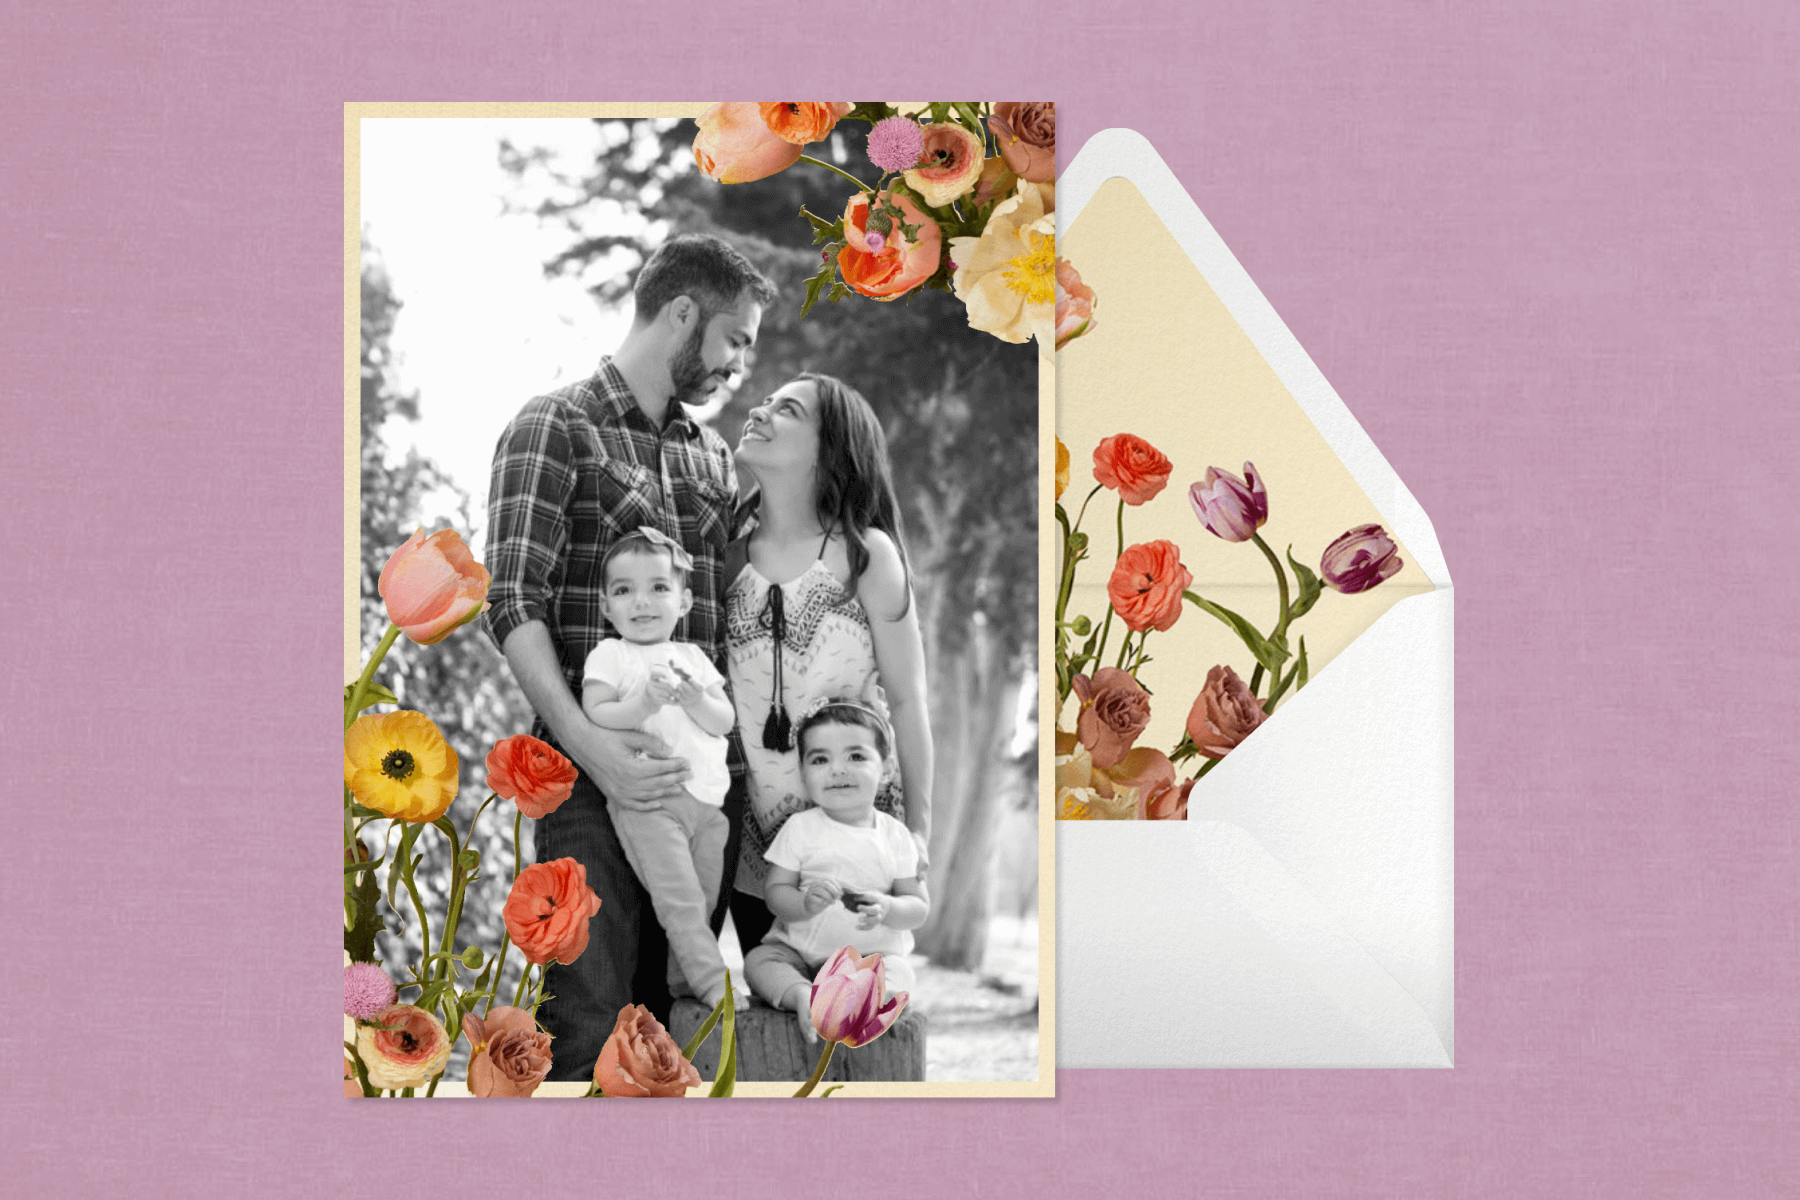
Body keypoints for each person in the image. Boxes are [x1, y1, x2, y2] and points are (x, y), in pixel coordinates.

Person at [484, 233, 777, 1080]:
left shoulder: (712, 456)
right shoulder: (552, 426)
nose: (738, 367)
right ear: (682, 313)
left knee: (667, 1037)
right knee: (588, 1019)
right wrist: (595, 749)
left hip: (702, 793)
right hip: (585, 779)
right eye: (734, 340)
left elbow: (727, 621)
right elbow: (513, 603)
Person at [724, 372, 934, 958]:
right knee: (777, 1003)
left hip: (857, 835)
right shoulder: (723, 553)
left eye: (787, 409)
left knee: (857, 1015)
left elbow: (910, 701)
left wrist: (918, 833)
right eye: (763, 402)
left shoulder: (866, 554)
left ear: (829, 449)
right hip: (757, 852)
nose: (760, 412)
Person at [581, 528, 735, 1009]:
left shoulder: (693, 658)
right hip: (650, 801)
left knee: (704, 899)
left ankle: (684, 981)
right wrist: (644, 701)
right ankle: (714, 983)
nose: (641, 602)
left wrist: (695, 698)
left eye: (658, 588)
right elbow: (597, 713)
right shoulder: (613, 655)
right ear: (607, 607)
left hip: (708, 804)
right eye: (624, 590)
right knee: (680, 900)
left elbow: (723, 720)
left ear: (684, 601)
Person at [743, 700, 929, 1043]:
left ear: (886, 768)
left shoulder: (896, 835)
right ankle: (801, 994)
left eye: (856, 757)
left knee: (901, 971)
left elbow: (917, 907)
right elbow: (776, 893)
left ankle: (864, 1003)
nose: (838, 770)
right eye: (820, 759)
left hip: (871, 959)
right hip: (798, 955)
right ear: (803, 773)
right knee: (759, 960)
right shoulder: (800, 828)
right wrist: (804, 903)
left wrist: (888, 908)